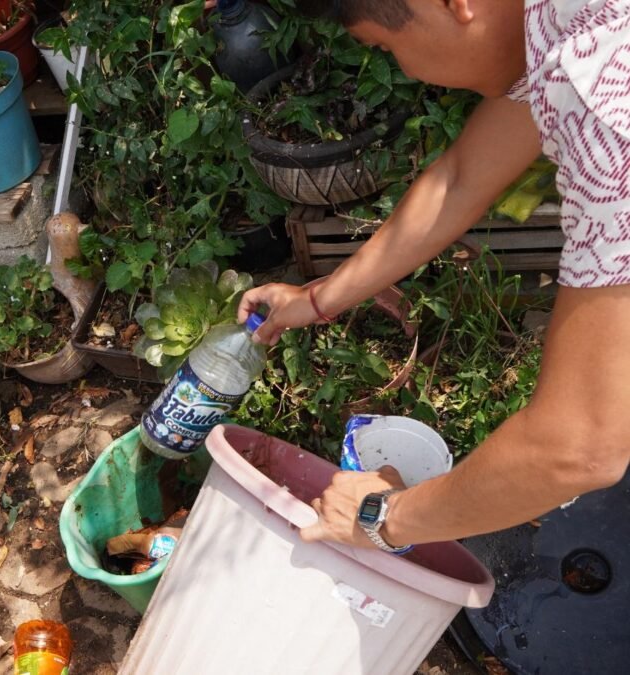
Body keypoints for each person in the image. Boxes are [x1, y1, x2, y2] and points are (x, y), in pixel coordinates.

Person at [237, 0, 630, 552]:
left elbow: (579, 446)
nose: (407, 71)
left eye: (388, 48)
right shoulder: (560, 25)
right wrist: (317, 299)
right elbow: (460, 178)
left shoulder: (608, 99)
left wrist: (382, 518)